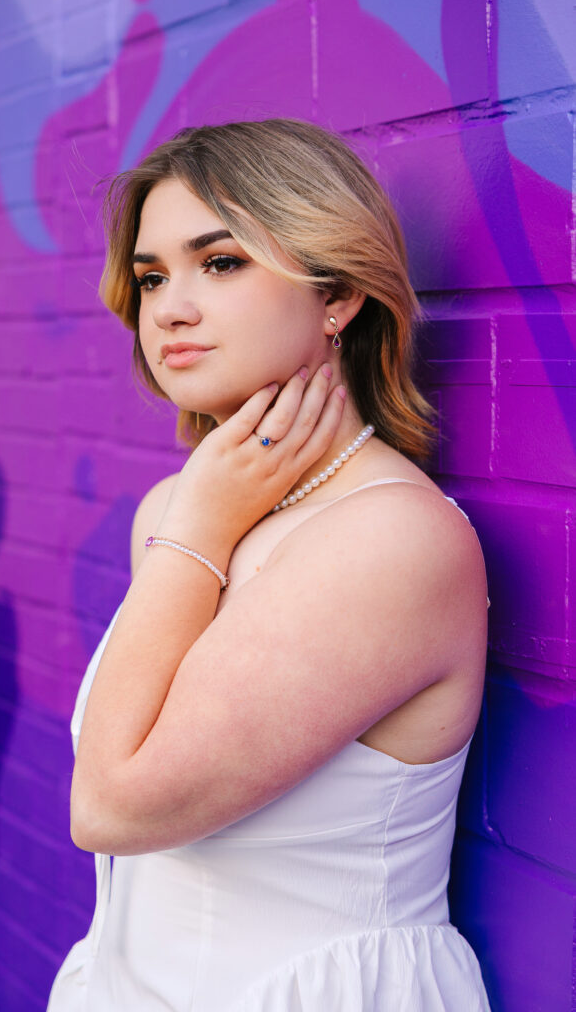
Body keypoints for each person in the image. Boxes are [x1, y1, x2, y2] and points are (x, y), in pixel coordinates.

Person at [47, 118, 492, 1011]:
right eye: (150, 276)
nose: (168, 307)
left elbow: (113, 807)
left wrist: (201, 526)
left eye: (220, 263)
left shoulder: (388, 540)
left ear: (335, 295)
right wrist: (199, 521)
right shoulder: (177, 514)